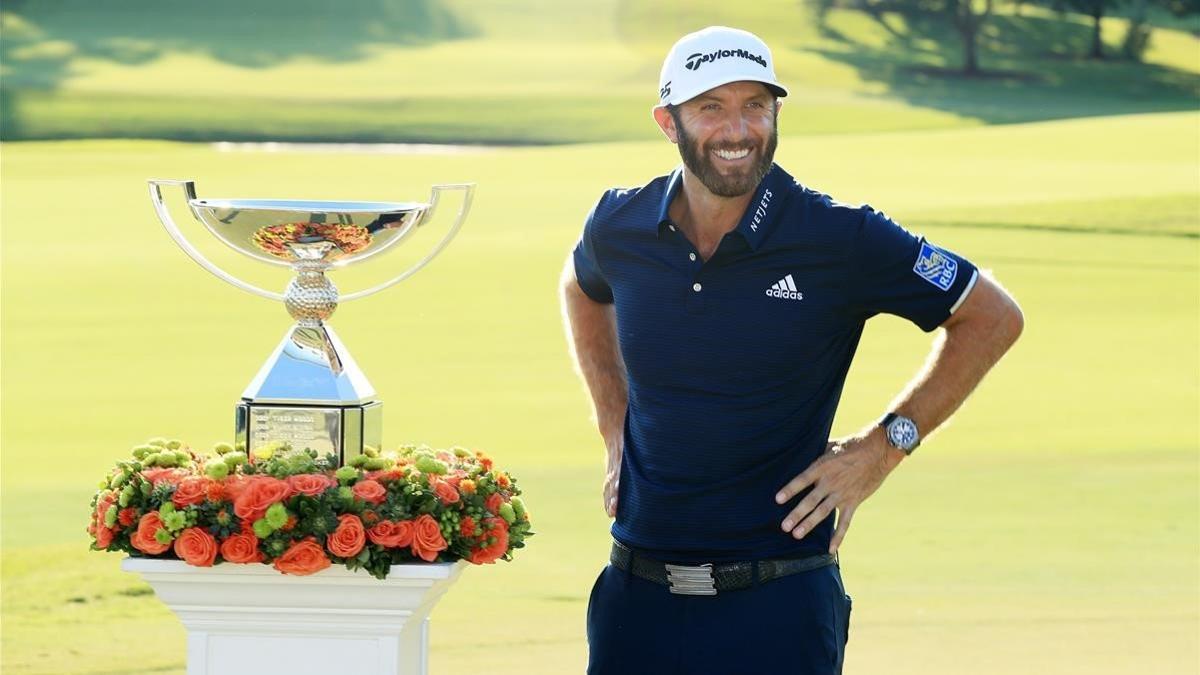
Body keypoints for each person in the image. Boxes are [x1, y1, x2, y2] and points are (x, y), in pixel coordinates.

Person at [559, 25, 1024, 675]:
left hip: (778, 603)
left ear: (778, 112)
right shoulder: (619, 222)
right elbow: (583, 287)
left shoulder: (841, 237)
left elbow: (992, 316)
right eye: (711, 107)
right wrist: (614, 426)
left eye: (756, 104)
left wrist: (885, 446)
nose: (738, 128)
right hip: (635, 601)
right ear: (669, 122)